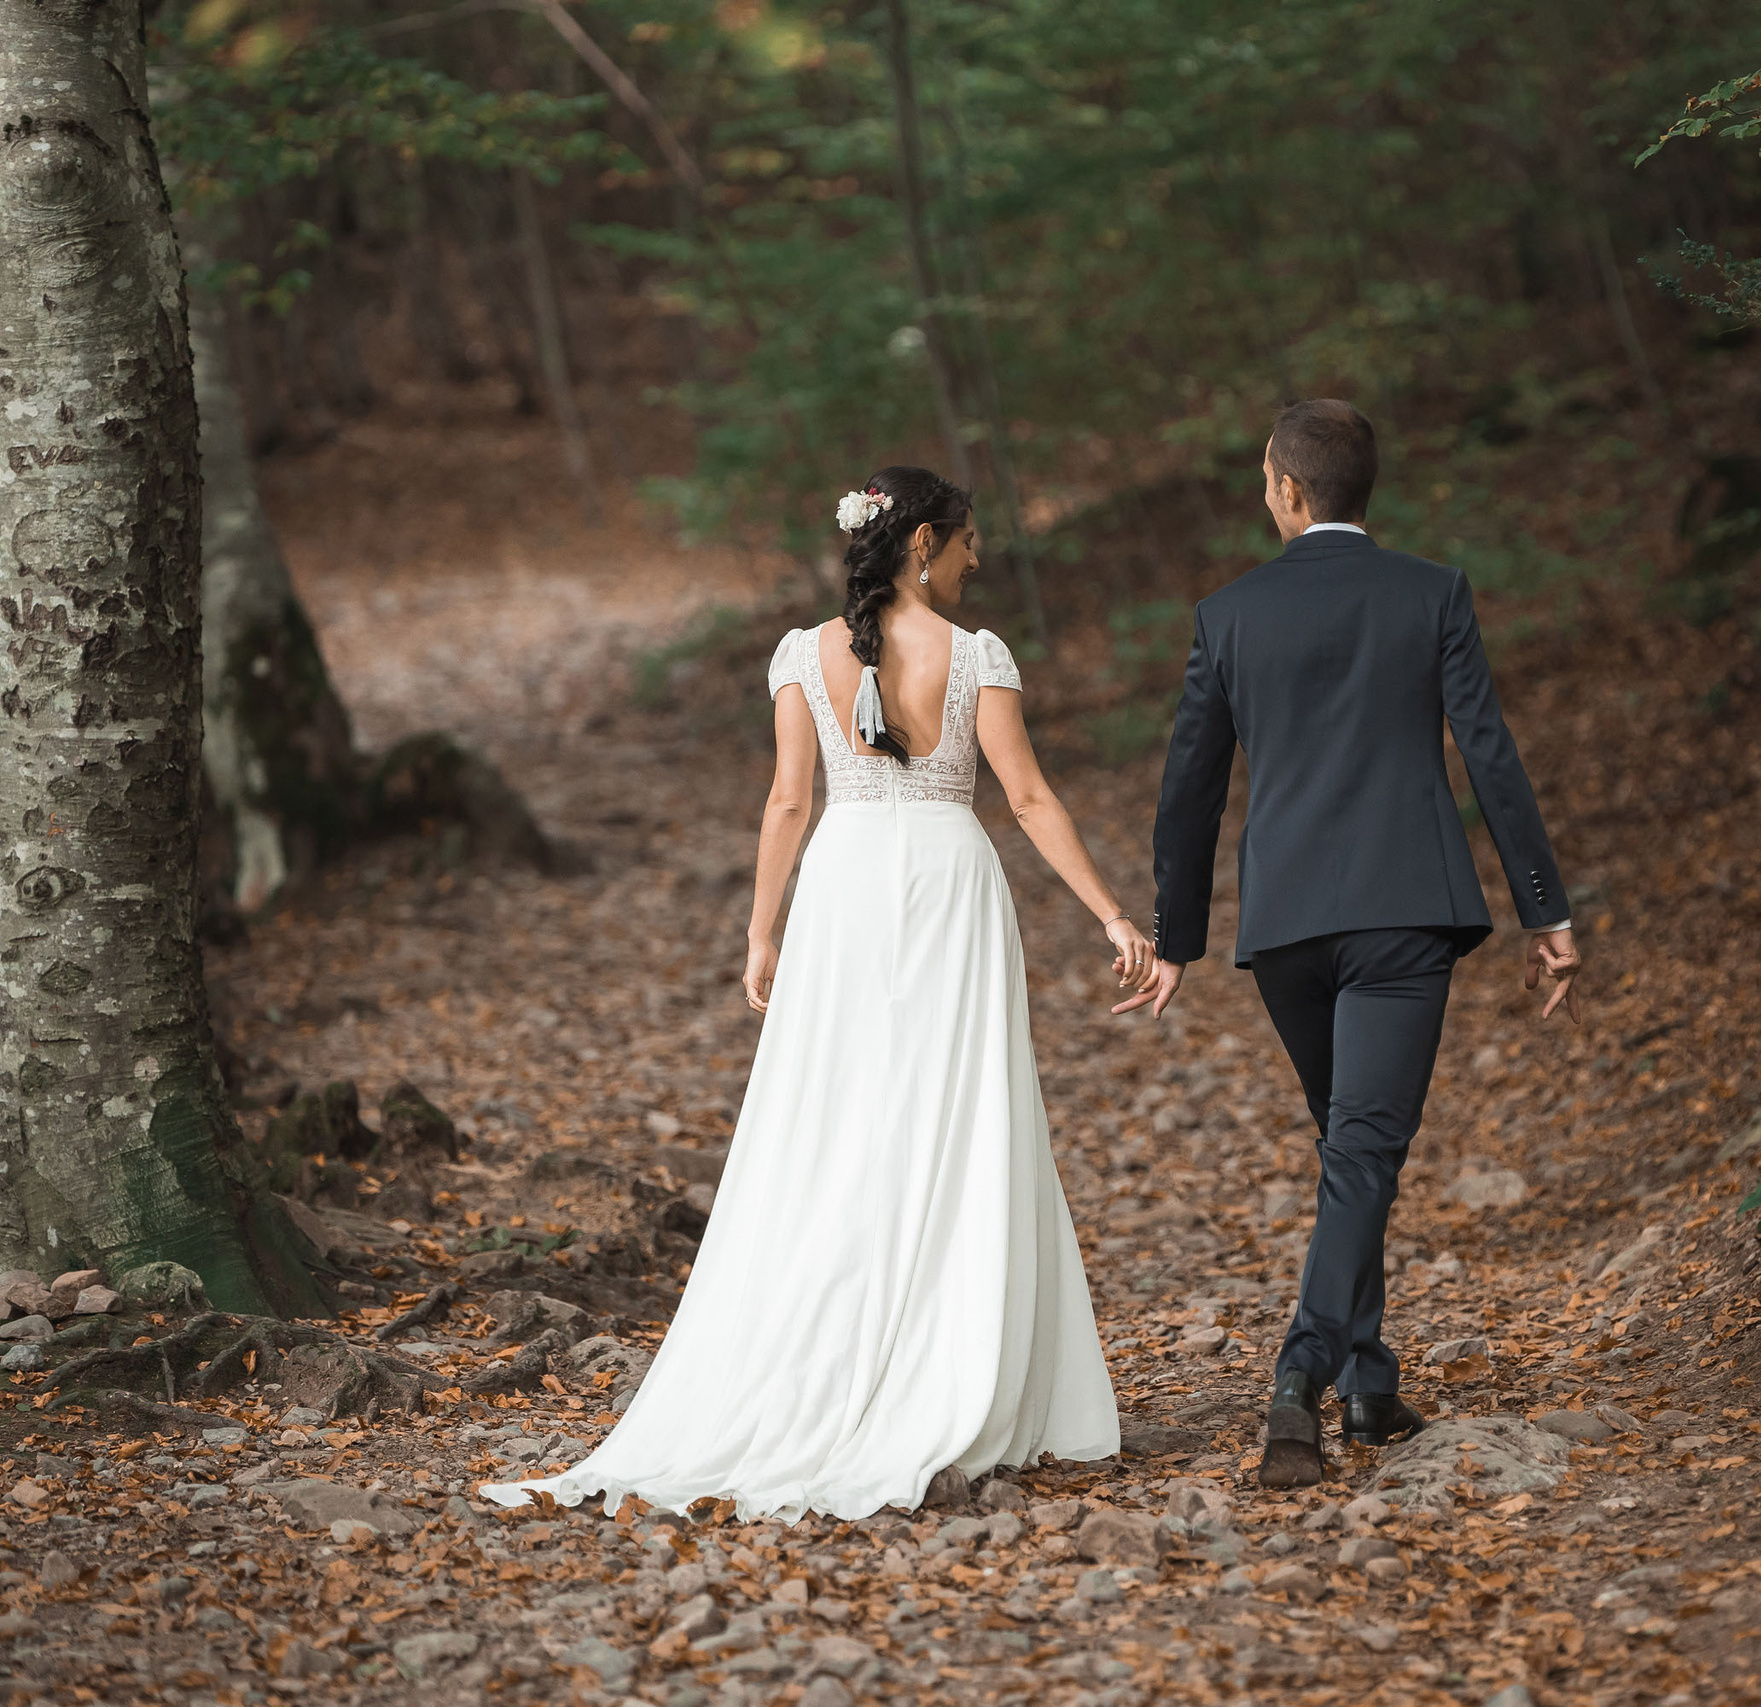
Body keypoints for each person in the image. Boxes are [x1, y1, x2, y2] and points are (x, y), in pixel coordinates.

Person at [485, 466, 1134, 1523]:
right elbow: (1025, 795)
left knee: (836, 1120)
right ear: (924, 542)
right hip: (946, 886)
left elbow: (790, 800)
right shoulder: (975, 657)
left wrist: (761, 933)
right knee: (952, 1115)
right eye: (968, 544)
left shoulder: (802, 653)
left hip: (839, 885)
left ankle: (828, 1351)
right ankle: (940, 1360)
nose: (978, 563)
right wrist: (1110, 915)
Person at [1134, 400, 1581, 1489]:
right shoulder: (1428, 591)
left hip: (1285, 922)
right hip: (1400, 912)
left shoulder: (1227, 615)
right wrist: (1545, 909)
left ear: (1286, 489)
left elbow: (1186, 790)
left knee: (1350, 1147)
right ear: (1358, 490)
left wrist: (1176, 936)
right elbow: (1491, 754)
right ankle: (1300, 1375)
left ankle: (1369, 1384)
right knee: (1364, 1151)